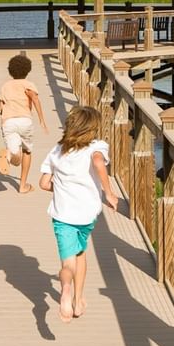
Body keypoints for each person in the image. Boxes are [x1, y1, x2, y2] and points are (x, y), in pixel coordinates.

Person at [38, 106, 118, 322]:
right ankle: (78, 300)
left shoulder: (57, 151)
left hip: (63, 215)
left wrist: (61, 188)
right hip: (86, 215)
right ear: (92, 128)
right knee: (81, 253)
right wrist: (109, 193)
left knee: (67, 264)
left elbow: (44, 183)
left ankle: (66, 290)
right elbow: (98, 161)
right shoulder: (96, 146)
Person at [0, 53, 48, 194]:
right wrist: (42, 120)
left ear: (10, 71)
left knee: (14, 154)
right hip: (25, 121)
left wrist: (5, 111)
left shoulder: (5, 86)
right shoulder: (28, 85)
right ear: (28, 70)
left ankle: (9, 154)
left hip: (8, 122)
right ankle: (23, 186)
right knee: (27, 151)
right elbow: (35, 99)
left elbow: (0, 108)